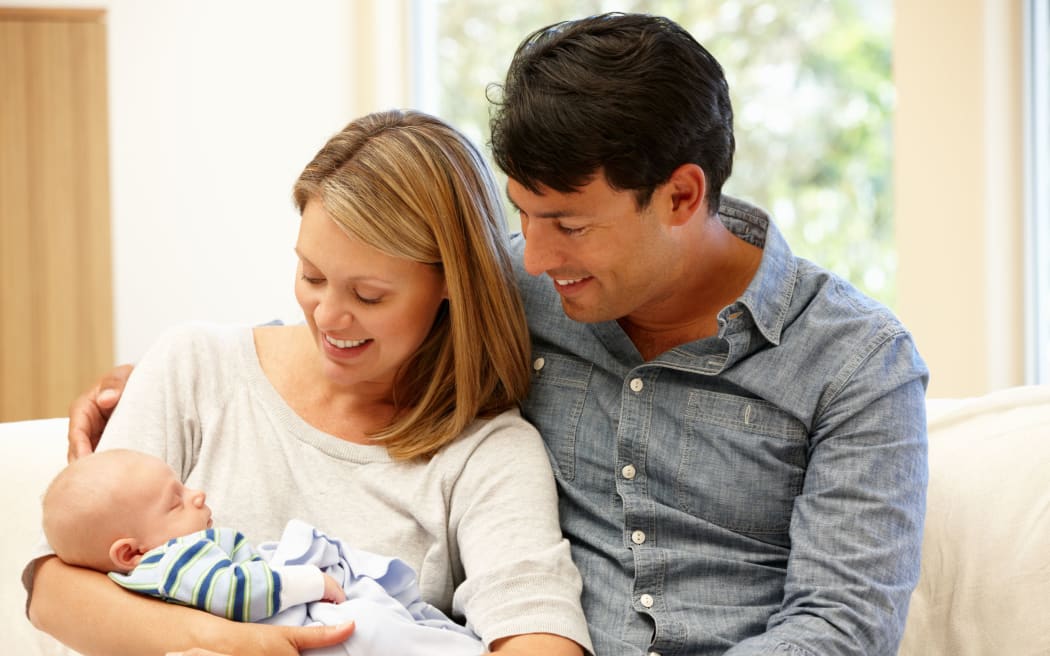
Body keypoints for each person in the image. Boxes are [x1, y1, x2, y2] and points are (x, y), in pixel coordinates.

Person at [58, 12, 930, 656]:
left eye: (568, 224)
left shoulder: (858, 363)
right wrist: (160, 385)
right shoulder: (518, 284)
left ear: (681, 195)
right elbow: (357, 319)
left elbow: (840, 625)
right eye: (520, 215)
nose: (533, 255)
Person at [26, 109, 592, 656]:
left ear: (451, 283)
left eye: (368, 295)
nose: (327, 316)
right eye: (312, 275)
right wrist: (239, 643)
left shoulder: (485, 454)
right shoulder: (194, 367)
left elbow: (539, 636)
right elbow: (55, 593)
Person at [41, 449, 487, 655]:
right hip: (286, 629)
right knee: (368, 627)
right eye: (175, 501)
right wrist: (311, 581)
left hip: (282, 629)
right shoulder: (170, 563)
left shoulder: (158, 564)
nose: (196, 495)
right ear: (130, 551)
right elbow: (235, 591)